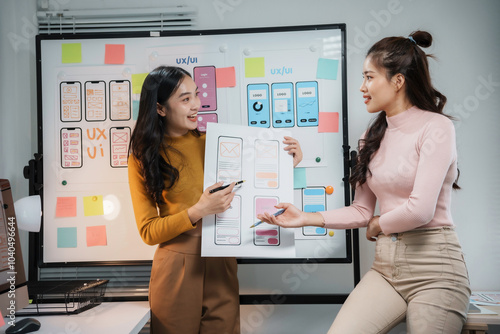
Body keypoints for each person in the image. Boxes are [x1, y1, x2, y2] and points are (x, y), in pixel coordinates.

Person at [257, 31, 471, 334]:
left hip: (435, 270)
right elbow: (360, 210)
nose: (362, 87)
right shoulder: (371, 136)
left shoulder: (437, 127)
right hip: (386, 269)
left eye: (369, 77)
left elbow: (420, 210)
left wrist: (378, 224)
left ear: (397, 81)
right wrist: (304, 217)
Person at [128, 65, 303, 334]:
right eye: (185, 99)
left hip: (222, 257)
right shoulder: (143, 155)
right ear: (161, 109)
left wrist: (287, 162)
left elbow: (250, 186)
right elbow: (149, 232)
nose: (197, 105)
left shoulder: (217, 142)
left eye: (196, 95)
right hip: (176, 266)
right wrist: (197, 211)